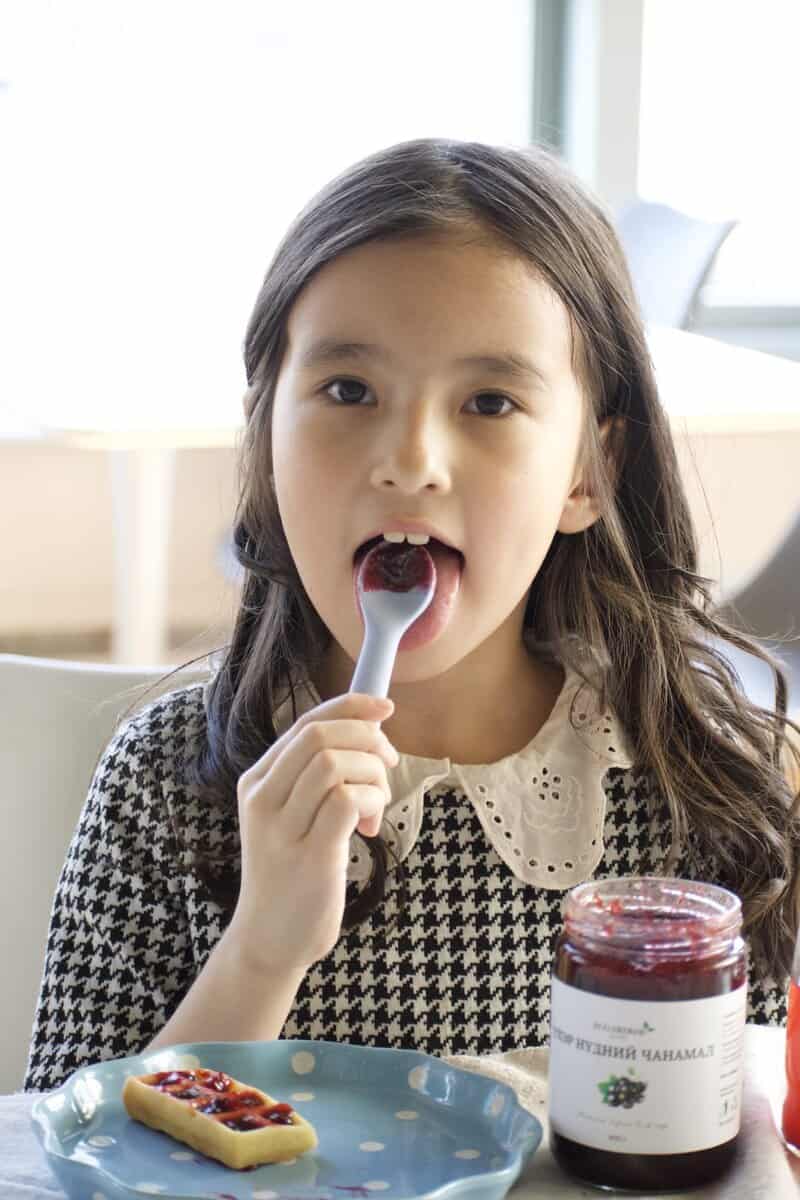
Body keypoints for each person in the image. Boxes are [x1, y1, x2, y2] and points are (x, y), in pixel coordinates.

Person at [25, 138, 800, 1092]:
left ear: (589, 474)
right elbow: (58, 1164)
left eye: (489, 401)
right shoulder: (168, 784)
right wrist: (262, 950)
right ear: (266, 432)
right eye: (348, 390)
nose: (411, 459)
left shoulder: (714, 790)